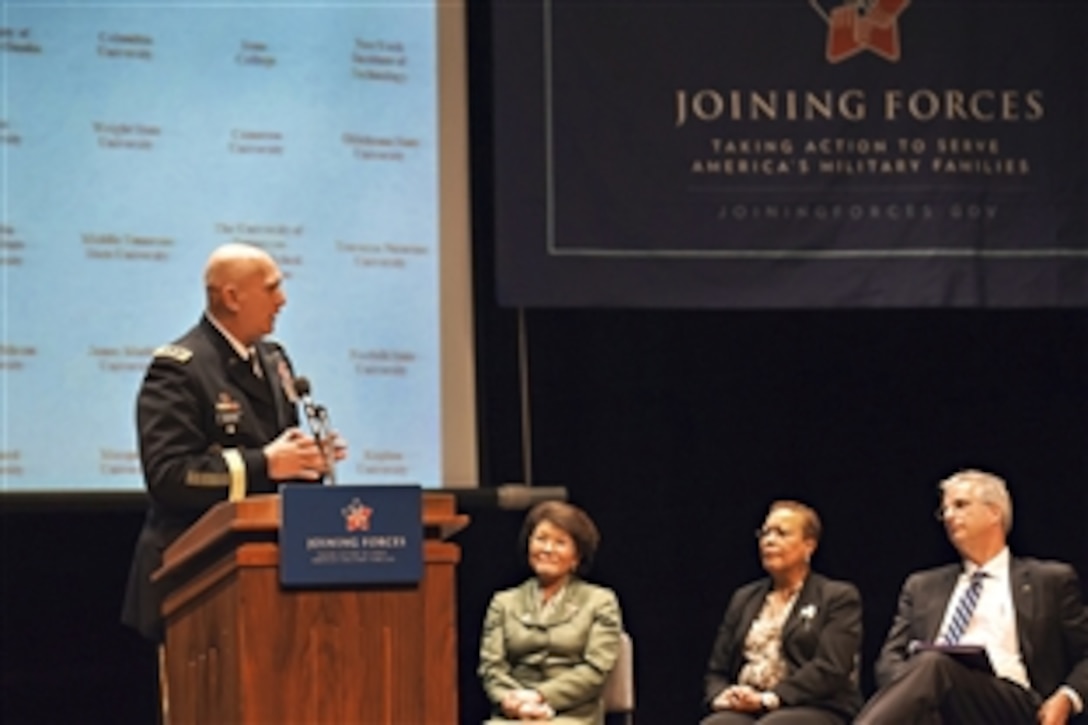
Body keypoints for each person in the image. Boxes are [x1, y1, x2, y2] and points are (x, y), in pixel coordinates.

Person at [121, 242, 345, 642]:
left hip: (270, 572)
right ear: (231, 297)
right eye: (272, 287)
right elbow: (169, 477)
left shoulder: (275, 359)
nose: (283, 299)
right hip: (190, 581)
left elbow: (278, 455)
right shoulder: (178, 369)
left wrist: (308, 461)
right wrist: (267, 464)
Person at [857, 468, 1088, 725]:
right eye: (944, 510)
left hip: (1010, 702)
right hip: (934, 700)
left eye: (960, 505)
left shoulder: (1049, 580)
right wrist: (914, 689)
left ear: (994, 512)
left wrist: (1068, 697)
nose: (948, 516)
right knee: (931, 673)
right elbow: (890, 659)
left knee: (935, 663)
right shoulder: (922, 586)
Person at [701, 500, 863, 725]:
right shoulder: (744, 598)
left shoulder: (837, 597)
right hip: (749, 706)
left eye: (781, 533)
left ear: (809, 545)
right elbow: (717, 670)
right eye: (765, 533)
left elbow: (831, 668)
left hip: (816, 705)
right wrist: (721, 696)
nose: (769, 540)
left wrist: (770, 698)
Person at [478, 500, 623, 724]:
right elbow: (492, 668)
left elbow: (595, 671)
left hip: (572, 715)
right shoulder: (503, 602)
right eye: (541, 539)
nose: (547, 549)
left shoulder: (600, 601)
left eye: (560, 542)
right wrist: (515, 702)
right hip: (513, 715)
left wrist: (540, 696)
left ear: (576, 557)